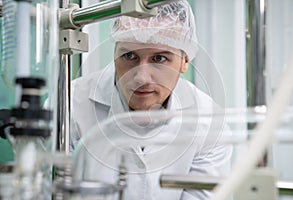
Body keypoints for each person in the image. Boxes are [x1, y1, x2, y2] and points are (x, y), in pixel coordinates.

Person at [71, 1, 232, 199]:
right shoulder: (72, 106)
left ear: (185, 61)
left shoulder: (210, 123)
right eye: (129, 56)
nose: (141, 77)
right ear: (114, 54)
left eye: (159, 59)